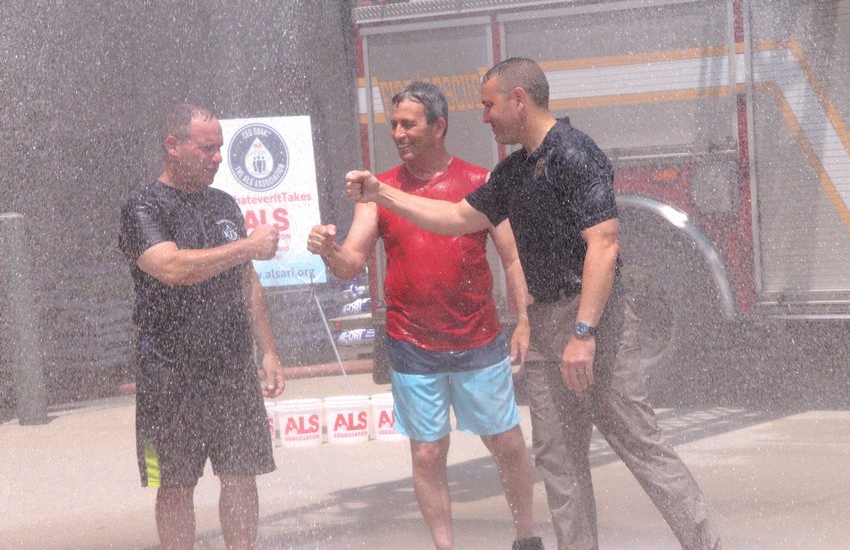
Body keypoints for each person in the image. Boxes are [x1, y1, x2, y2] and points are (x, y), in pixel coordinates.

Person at [345, 59, 721, 550]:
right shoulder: (515, 171)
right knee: (558, 460)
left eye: (489, 105)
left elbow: (604, 245)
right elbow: (456, 217)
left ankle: (705, 542)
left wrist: (584, 333)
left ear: (518, 99)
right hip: (545, 321)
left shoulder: (575, 154)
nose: (484, 117)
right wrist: (383, 196)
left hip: (593, 322)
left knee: (638, 444)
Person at [308, 82, 543, 550]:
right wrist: (328, 250)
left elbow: (513, 257)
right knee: (429, 452)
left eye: (408, 124)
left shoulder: (480, 181)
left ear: (439, 127)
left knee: (509, 445)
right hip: (411, 343)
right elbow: (352, 263)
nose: (398, 133)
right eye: (393, 124)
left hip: (478, 337)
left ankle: (526, 537)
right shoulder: (377, 191)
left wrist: (525, 319)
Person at [119, 103, 286, 550]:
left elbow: (246, 278)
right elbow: (171, 267)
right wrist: (247, 246)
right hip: (169, 373)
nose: (217, 158)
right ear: (173, 146)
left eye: (220, 148)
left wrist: (267, 350)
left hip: (231, 368)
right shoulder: (142, 207)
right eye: (207, 148)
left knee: (240, 475)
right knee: (175, 485)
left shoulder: (224, 203)